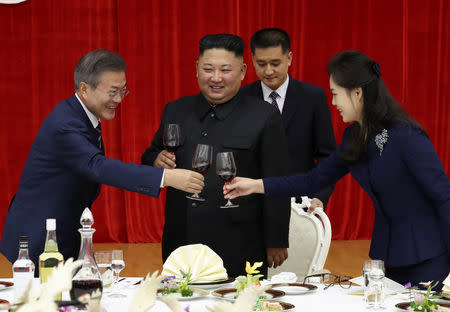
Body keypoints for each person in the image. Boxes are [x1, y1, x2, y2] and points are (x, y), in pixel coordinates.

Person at [224, 50, 450, 287]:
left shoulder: (406, 135)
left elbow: (443, 196)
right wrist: (255, 185)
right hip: (389, 257)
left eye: (335, 94)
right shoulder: (355, 136)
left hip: (428, 255)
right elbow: (312, 180)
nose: (333, 103)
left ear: (357, 92)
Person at [0, 49, 204, 270]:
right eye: (112, 92)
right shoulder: (65, 123)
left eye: (122, 91)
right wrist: (167, 177)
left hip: (64, 230)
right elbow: (97, 166)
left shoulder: (80, 114)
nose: (118, 99)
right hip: (41, 236)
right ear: (85, 88)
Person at [141, 34, 291, 277]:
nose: (216, 78)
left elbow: (277, 179)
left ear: (242, 71)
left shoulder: (263, 115)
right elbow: (150, 155)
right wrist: (156, 159)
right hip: (182, 237)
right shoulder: (176, 109)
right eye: (208, 69)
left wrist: (276, 239)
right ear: (197, 68)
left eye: (225, 70)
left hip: (239, 240)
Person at [240, 28, 336, 209]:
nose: (268, 71)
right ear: (252, 60)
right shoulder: (241, 98)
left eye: (275, 63)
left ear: (289, 58)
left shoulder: (313, 97)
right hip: (251, 205)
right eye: (261, 64)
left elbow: (327, 155)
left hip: (301, 203)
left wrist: (320, 195)